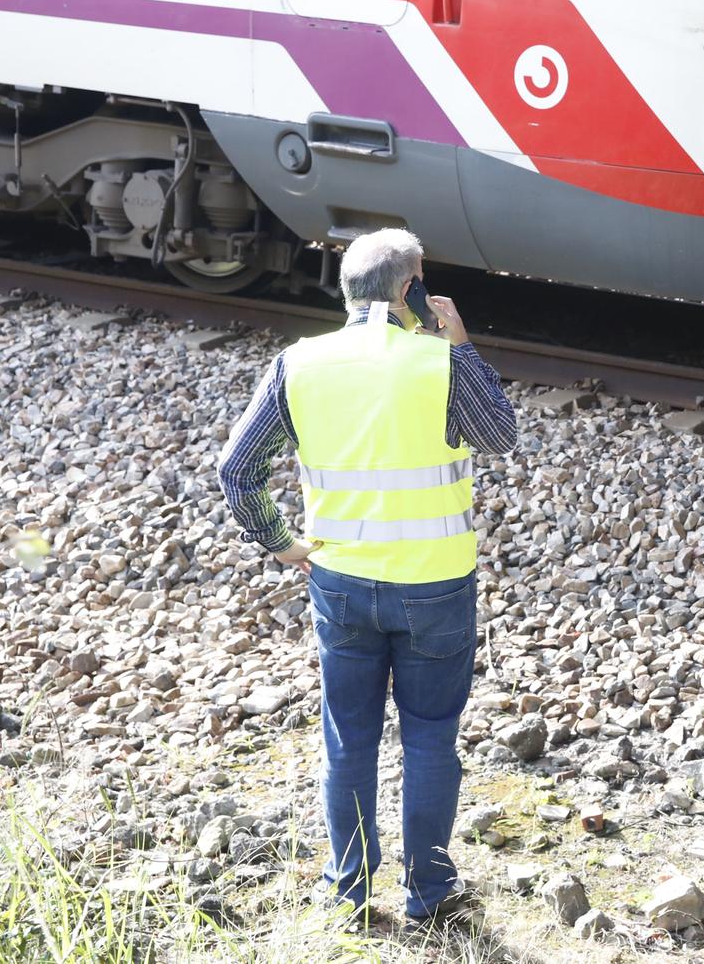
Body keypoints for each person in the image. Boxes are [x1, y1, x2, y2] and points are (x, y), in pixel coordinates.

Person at [218, 229, 518, 924]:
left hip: (341, 581)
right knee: (430, 736)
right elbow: (500, 435)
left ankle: (347, 893)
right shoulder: (438, 362)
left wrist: (280, 540)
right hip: (436, 585)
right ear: (409, 286)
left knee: (348, 738)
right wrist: (462, 344)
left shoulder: (300, 363)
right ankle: (430, 896)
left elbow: (238, 469)